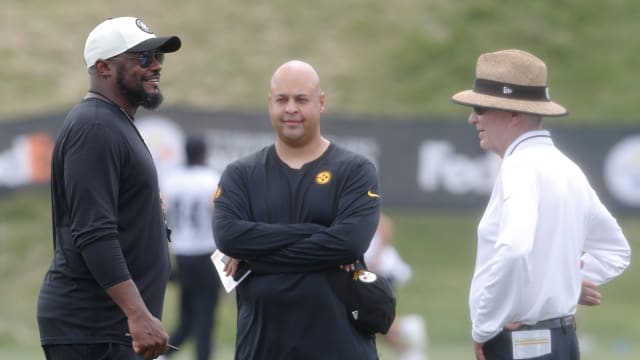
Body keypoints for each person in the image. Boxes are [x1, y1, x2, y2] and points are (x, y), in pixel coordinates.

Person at [451, 49, 631, 360]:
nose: (472, 118)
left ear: (514, 113)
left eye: (480, 108)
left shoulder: (519, 167)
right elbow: (616, 251)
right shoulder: (566, 167)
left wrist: (483, 328)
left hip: (520, 343)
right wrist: (563, 282)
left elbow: (514, 249)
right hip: (560, 340)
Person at [212, 60, 382, 359]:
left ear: (321, 102)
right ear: (270, 104)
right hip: (262, 347)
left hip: (339, 347)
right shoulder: (241, 173)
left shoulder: (355, 170)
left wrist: (255, 259)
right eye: (282, 99)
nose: (291, 108)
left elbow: (349, 243)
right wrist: (319, 233)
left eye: (301, 99)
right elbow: (228, 238)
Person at [37, 17, 181, 360]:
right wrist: (136, 313)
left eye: (158, 56)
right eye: (143, 58)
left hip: (108, 330)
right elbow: (94, 232)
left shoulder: (112, 123)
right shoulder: (96, 126)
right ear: (103, 67)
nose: (156, 65)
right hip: (94, 329)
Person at [161, 136, 221, 360]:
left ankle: (163, 354)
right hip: (206, 251)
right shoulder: (211, 179)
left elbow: (163, 213)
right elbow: (219, 213)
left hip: (181, 251)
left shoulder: (172, 179)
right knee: (205, 316)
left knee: (186, 315)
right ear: (204, 153)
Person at [364, 213, 427, 360]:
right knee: (371, 323)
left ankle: (406, 327)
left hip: (380, 272)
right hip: (369, 273)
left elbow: (385, 226)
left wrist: (375, 259)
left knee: (372, 318)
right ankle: (409, 353)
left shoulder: (364, 205)